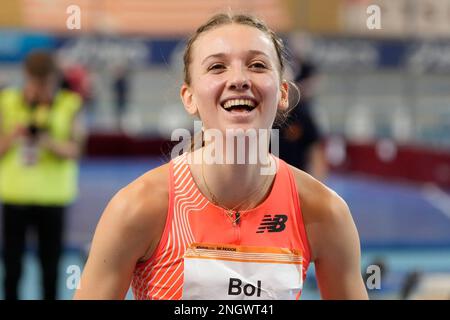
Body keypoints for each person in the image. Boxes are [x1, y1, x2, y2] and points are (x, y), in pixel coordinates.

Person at [74, 13, 368, 300]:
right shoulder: (137, 209)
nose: (239, 79)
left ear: (282, 93)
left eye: (256, 65)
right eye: (217, 67)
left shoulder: (324, 212)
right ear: (189, 97)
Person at [0, 50, 85, 300]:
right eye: (36, 83)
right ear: (26, 77)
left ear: (54, 79)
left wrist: (47, 141)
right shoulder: (7, 102)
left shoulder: (69, 104)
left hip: (53, 197)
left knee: (51, 268)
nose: (40, 90)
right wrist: (15, 136)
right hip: (15, 195)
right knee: (12, 268)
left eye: (46, 83)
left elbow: (76, 150)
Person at [278, 54, 328, 181]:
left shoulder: (303, 116)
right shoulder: (263, 116)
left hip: (296, 183)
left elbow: (316, 154)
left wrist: (318, 189)